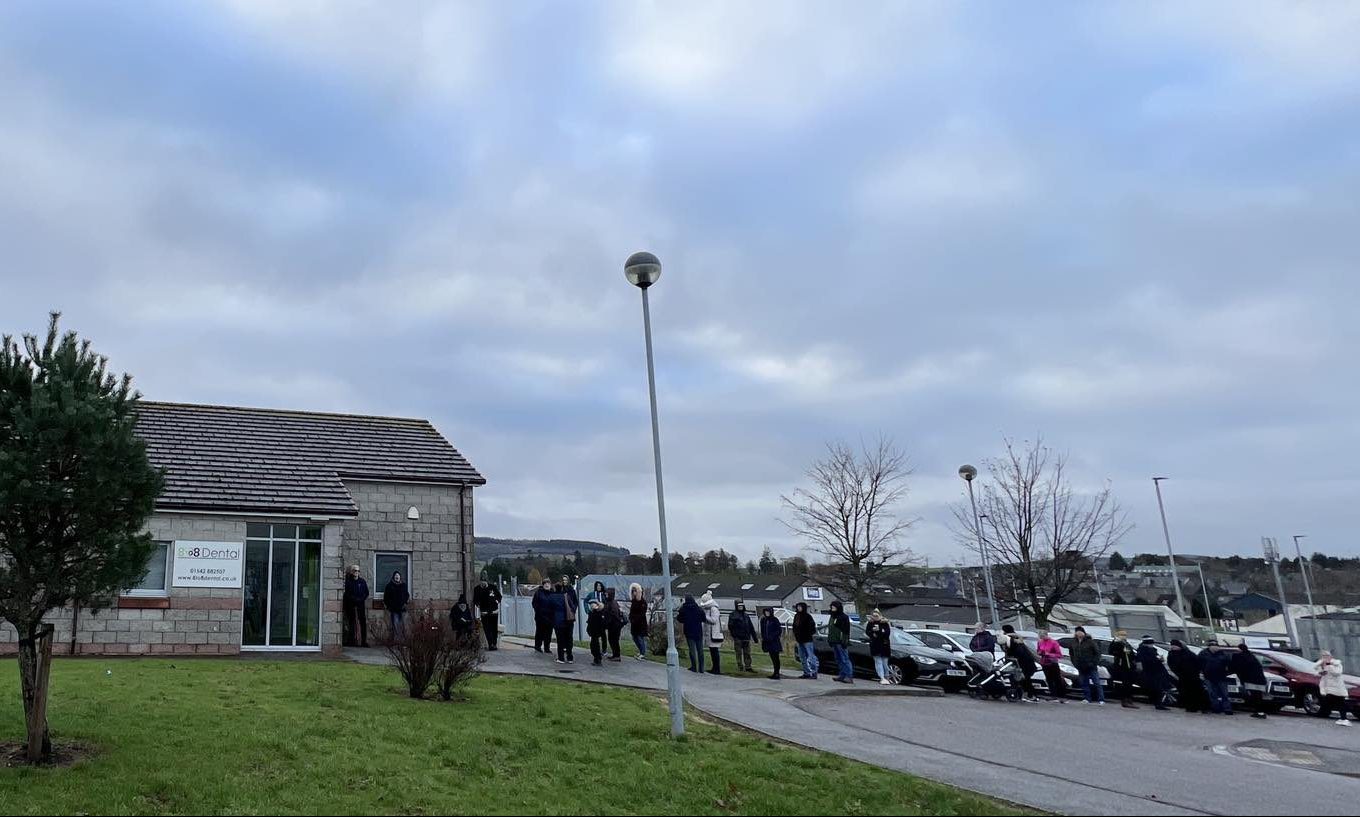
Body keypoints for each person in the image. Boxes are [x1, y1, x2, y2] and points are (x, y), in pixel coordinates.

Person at [1167, 640, 1207, 714]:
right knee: (1185, 692)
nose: (1173, 647)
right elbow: (1171, 664)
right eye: (1172, 646)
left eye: (1175, 646)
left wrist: (1196, 671)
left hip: (1193, 676)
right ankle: (1190, 707)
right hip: (1182, 676)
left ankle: (1203, 707)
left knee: (1197, 692)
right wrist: (1177, 672)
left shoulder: (1188, 653)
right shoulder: (1171, 654)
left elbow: (1197, 662)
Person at [1230, 644, 1269, 719]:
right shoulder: (1252, 656)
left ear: (1240, 649)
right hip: (1260, 680)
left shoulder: (1240, 656)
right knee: (1258, 696)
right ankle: (1260, 712)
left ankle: (1259, 712)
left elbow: (1237, 668)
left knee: (1254, 696)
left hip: (1250, 680)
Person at [1315, 651, 1352, 726]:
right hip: (1327, 686)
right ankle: (1342, 717)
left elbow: (1337, 673)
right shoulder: (1322, 663)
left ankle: (1344, 718)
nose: (1325, 658)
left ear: (1331, 657)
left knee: (1340, 702)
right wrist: (1322, 669)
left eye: (1327, 656)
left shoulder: (1337, 664)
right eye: (1323, 656)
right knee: (1334, 701)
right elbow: (1318, 671)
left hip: (1337, 686)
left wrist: (1328, 665)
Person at [1070, 626, 1104, 705]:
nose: (1078, 633)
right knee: (1084, 683)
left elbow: (1097, 653)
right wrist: (1075, 663)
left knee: (1096, 682)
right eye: (1077, 632)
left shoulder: (1090, 642)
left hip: (1091, 666)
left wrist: (1093, 663)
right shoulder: (1073, 642)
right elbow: (1071, 654)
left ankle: (1101, 699)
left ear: (1083, 633)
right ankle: (1087, 698)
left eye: (1080, 632)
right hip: (1080, 666)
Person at [1198, 640, 1233, 715]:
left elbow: (1230, 665)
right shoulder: (1203, 654)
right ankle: (1216, 708)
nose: (1215, 647)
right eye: (1213, 645)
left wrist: (1227, 673)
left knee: (1225, 694)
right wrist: (1202, 671)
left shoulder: (1223, 654)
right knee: (1212, 694)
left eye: (1216, 645)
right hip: (1209, 677)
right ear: (1209, 646)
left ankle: (1227, 709)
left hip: (1221, 677)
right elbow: (1198, 664)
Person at [1136, 636, 1171, 711]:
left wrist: (1160, 659)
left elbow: (1156, 658)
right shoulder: (1142, 651)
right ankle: (1158, 703)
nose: (1151, 644)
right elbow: (1140, 663)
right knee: (1157, 688)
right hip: (1151, 672)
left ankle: (1159, 703)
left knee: (1159, 688)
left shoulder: (1152, 650)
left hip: (1157, 671)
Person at [1004, 631, 1040, 702]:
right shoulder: (1017, 646)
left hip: (1025, 666)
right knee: (1023, 681)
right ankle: (1026, 695)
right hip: (1022, 666)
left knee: (1026, 681)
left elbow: (1020, 657)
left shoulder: (1018, 647)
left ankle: (1031, 696)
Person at [1109, 630, 1140, 709]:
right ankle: (1125, 700)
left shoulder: (1126, 643)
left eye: (1125, 635)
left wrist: (1133, 658)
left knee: (1129, 684)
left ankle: (1129, 699)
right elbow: (1112, 652)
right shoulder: (1116, 643)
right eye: (1122, 635)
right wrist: (1122, 652)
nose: (1124, 636)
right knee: (1126, 684)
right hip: (1123, 666)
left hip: (1129, 666)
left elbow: (1131, 654)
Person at [676, 595, 706, 673]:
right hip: (698, 631)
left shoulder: (683, 609)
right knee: (700, 650)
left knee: (692, 650)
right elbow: (703, 618)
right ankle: (701, 668)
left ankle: (694, 666)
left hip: (689, 631)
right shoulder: (698, 608)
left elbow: (679, 619)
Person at [342, 565, 370, 648]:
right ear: (351, 572)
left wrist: (361, 599)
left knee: (362, 623)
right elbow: (347, 594)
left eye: (358, 571)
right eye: (354, 571)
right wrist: (354, 599)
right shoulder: (348, 582)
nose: (356, 572)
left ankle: (363, 641)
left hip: (360, 605)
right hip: (351, 605)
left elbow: (366, 592)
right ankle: (352, 641)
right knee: (352, 623)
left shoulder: (362, 581)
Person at [1036, 630, 1068, 701]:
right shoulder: (1040, 642)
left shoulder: (1053, 642)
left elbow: (1059, 655)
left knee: (1057, 679)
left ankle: (1062, 694)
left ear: (1046, 635)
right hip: (1044, 662)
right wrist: (1040, 652)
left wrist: (1049, 654)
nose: (1041, 638)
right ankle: (1053, 694)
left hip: (1053, 663)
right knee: (1049, 679)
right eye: (1040, 637)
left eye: (1043, 636)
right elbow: (1038, 651)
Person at [827, 601, 854, 684]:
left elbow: (846, 630)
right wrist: (830, 640)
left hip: (841, 641)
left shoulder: (843, 617)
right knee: (838, 659)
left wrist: (845, 641)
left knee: (844, 659)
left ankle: (848, 676)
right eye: (831, 607)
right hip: (834, 640)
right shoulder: (832, 616)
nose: (832, 608)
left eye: (834, 607)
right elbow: (830, 629)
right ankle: (842, 675)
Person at [472, 579, 501, 651]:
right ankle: (490, 644)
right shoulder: (477, 589)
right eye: (482, 582)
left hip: (494, 611)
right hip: (484, 611)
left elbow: (499, 596)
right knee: (487, 628)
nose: (483, 583)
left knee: (494, 628)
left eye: (484, 582)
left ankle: (494, 643)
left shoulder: (492, 587)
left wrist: (496, 601)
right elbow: (475, 599)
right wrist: (478, 605)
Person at [792, 602, 819, 680]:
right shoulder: (796, 616)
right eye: (798, 607)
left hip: (807, 640)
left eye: (800, 607)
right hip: (799, 639)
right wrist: (796, 634)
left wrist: (807, 633)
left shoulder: (808, 617)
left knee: (810, 656)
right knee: (802, 657)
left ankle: (814, 672)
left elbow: (812, 628)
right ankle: (806, 672)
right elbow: (794, 626)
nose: (799, 608)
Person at [551, 582, 576, 664]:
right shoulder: (566, 596)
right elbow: (572, 607)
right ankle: (570, 657)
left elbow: (550, 609)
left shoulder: (553, 597)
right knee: (569, 639)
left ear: (555, 588)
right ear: (562, 588)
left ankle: (561, 658)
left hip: (558, 621)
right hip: (568, 621)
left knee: (560, 640)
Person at [866, 610, 893, 685]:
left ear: (880, 615)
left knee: (885, 662)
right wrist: (872, 632)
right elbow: (867, 632)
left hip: (884, 645)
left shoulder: (884, 623)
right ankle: (882, 677)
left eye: (876, 616)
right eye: (874, 616)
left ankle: (886, 676)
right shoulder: (870, 623)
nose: (875, 617)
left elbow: (887, 633)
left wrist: (879, 631)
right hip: (875, 645)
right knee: (878, 661)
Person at [700, 591, 724, 675]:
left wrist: (704, 617)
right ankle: (714, 668)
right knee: (712, 651)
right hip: (708, 633)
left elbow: (714, 620)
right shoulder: (707, 609)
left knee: (714, 651)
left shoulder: (714, 609)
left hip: (714, 633)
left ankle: (717, 669)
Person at [728, 602, 757, 672]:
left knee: (747, 653)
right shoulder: (733, 615)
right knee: (738, 653)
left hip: (746, 637)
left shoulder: (746, 616)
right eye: (739, 606)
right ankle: (740, 666)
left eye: (742, 606)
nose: (740, 607)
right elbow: (730, 626)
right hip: (738, 637)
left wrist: (754, 637)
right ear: (736, 606)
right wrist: (734, 635)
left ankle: (748, 667)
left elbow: (751, 626)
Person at [531, 578, 555, 654]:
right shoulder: (538, 593)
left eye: (548, 583)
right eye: (545, 583)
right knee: (539, 632)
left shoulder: (553, 593)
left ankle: (547, 648)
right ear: (543, 585)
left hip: (550, 617)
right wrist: (538, 611)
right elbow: (534, 603)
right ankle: (538, 646)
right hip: (540, 617)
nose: (547, 585)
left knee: (548, 633)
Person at [761, 607, 784, 680]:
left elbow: (779, 630)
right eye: (766, 612)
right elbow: (763, 630)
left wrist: (772, 636)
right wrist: (764, 637)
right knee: (772, 657)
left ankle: (777, 672)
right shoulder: (763, 620)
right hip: (767, 641)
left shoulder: (775, 620)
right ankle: (775, 672)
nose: (767, 613)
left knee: (776, 657)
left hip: (774, 641)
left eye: (768, 612)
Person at [603, 587, 626, 661]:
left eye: (607, 594)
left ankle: (617, 655)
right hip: (613, 625)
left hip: (615, 625)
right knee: (612, 640)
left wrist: (606, 622)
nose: (606, 595)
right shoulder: (610, 602)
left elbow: (612, 615)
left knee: (614, 640)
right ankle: (615, 654)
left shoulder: (612, 603)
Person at [628, 583, 649, 659]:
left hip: (641, 623)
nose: (634, 593)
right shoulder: (633, 601)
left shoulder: (643, 602)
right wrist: (631, 618)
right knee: (635, 637)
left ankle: (643, 653)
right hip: (634, 623)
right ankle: (640, 651)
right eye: (633, 591)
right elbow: (631, 611)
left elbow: (642, 613)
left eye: (635, 591)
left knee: (640, 638)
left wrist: (635, 619)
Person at [586, 599, 607, 666]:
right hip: (593, 632)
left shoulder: (598, 613)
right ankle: (596, 659)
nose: (591, 606)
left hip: (596, 632)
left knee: (595, 646)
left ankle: (598, 659)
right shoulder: (592, 612)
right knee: (593, 646)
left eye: (592, 604)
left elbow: (600, 623)